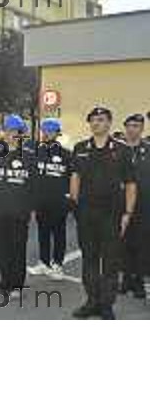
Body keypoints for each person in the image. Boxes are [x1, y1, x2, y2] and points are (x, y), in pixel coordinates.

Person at [70, 106, 137, 320]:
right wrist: (75, 204)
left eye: (101, 119)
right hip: (86, 214)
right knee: (89, 259)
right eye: (93, 120)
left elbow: (130, 184)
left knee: (110, 262)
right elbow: (75, 177)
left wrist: (127, 213)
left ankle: (106, 305)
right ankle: (92, 301)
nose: (97, 123)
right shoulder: (80, 148)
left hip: (112, 215)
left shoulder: (122, 150)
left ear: (109, 123)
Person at [0, 114, 37, 298]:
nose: (11, 134)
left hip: (19, 211)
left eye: (15, 131)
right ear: (3, 132)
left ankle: (17, 285)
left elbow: (34, 185)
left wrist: (30, 209)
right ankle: (4, 282)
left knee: (17, 249)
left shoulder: (29, 156)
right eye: (8, 130)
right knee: (2, 248)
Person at [30, 118, 71, 279]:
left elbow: (72, 178)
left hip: (59, 202)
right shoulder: (36, 152)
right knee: (43, 233)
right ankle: (43, 262)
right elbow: (32, 177)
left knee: (59, 234)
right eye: (44, 131)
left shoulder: (66, 154)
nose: (46, 134)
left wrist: (69, 200)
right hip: (41, 201)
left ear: (57, 133)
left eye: (50, 131)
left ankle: (58, 265)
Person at [120, 113, 147, 298]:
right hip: (120, 205)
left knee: (142, 244)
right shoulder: (116, 150)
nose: (132, 129)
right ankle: (126, 279)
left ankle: (138, 282)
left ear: (142, 128)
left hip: (145, 206)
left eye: (136, 125)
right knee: (123, 244)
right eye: (129, 125)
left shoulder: (148, 150)